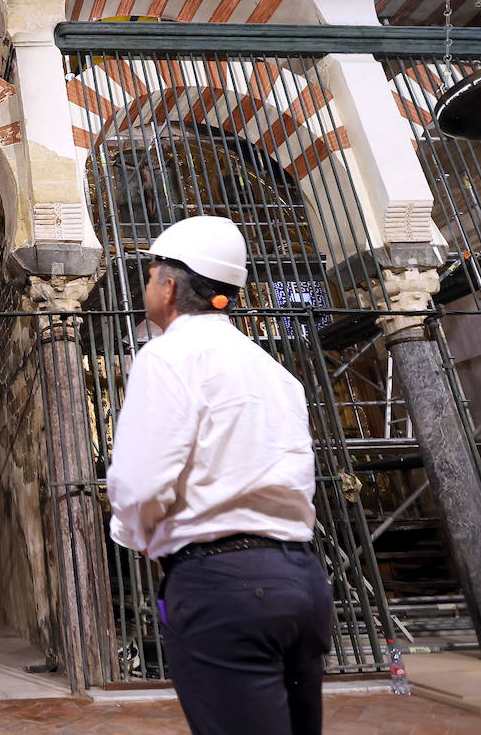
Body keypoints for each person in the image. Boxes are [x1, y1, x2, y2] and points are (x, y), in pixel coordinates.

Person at [106, 215, 332, 735]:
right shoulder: (276, 371)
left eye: (149, 276)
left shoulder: (166, 358)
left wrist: (137, 537)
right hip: (301, 580)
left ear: (167, 286)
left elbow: (140, 484)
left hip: (225, 586)